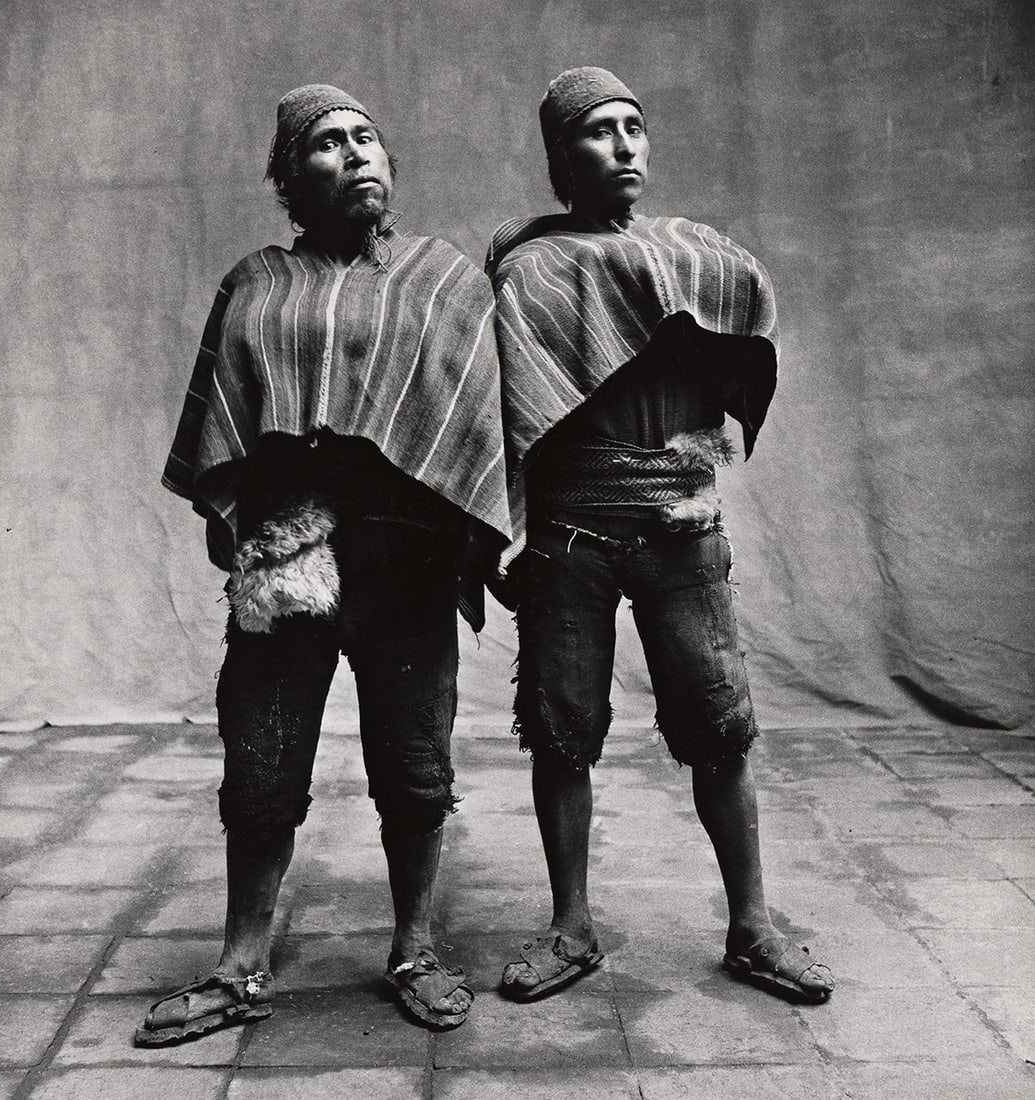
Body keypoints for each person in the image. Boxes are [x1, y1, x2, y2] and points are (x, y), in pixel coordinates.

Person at [135, 84, 510, 1044]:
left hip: (407, 561)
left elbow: (474, 420)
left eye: (366, 137)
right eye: (327, 142)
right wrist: (257, 522)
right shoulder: (255, 282)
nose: (353, 152)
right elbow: (224, 421)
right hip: (289, 556)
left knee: (415, 767)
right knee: (261, 764)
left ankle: (414, 948)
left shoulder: (441, 279)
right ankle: (240, 964)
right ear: (288, 179)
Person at [485, 67, 834, 1005]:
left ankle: (752, 926)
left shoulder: (695, 254)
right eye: (597, 130)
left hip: (680, 526)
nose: (622, 144)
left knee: (720, 727)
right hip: (568, 531)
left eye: (633, 126)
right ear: (562, 155)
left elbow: (743, 316)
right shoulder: (529, 271)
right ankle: (570, 926)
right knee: (560, 730)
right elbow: (505, 410)